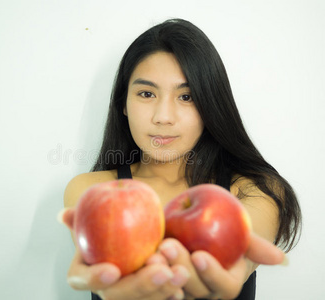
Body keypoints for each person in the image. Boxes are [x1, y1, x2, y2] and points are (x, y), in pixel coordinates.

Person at [59, 18, 302, 300]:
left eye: (186, 97)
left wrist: (225, 267)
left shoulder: (254, 190)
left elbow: (240, 259)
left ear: (210, 105)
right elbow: (103, 272)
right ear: (123, 104)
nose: (163, 117)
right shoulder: (90, 191)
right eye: (147, 93)